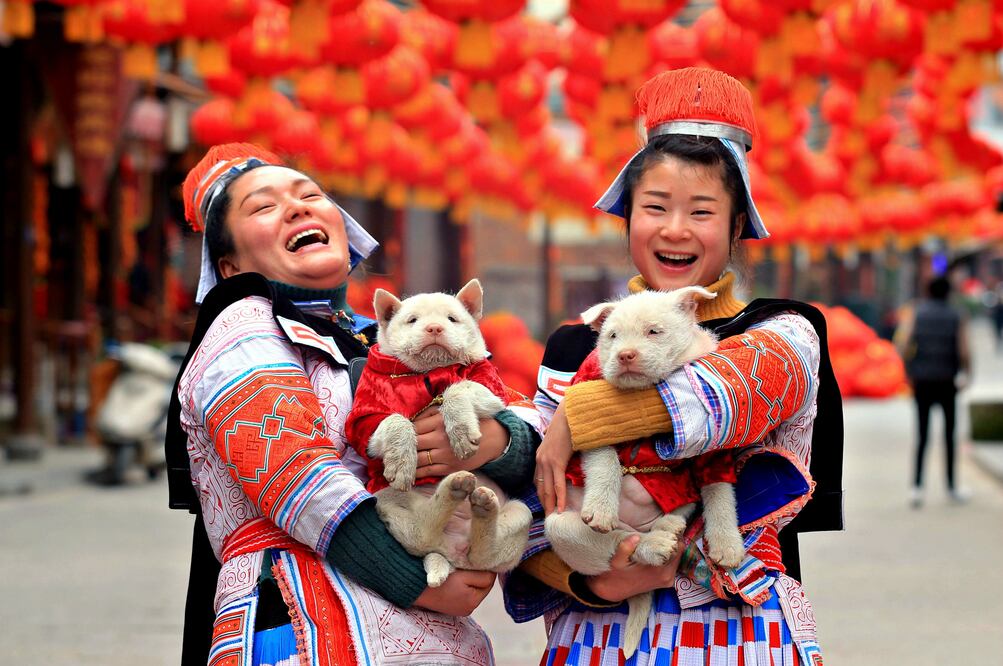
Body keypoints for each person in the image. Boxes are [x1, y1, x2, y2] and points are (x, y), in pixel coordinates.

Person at [502, 68, 843, 665]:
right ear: (628, 218)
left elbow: (719, 397)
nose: (675, 230)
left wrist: (576, 414)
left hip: (744, 630)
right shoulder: (570, 346)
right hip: (598, 636)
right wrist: (589, 581)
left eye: (702, 212)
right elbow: (537, 512)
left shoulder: (785, 332)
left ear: (737, 225)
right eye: (655, 207)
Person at [164, 143, 541, 665]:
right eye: (263, 206)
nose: (297, 208)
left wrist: (499, 444)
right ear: (228, 266)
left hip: (424, 630)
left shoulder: (378, 338)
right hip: (301, 614)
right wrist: (418, 582)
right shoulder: (241, 329)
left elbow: (519, 416)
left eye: (310, 195)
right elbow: (299, 479)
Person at [895, 276, 971, 507]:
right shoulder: (956, 315)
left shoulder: (918, 313)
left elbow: (904, 344)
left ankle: (916, 487)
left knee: (923, 435)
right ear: (948, 292)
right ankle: (951, 486)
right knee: (949, 435)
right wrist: (967, 374)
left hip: (923, 380)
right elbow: (964, 348)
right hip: (947, 380)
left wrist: (908, 372)